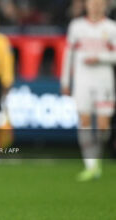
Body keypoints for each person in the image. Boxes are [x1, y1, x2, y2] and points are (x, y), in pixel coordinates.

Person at [61, 0, 116, 181]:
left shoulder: (111, 27)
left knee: (103, 126)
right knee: (84, 121)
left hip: (104, 81)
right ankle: (90, 165)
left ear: (104, 6)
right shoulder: (76, 26)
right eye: (92, 2)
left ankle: (96, 158)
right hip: (83, 81)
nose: (95, 6)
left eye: (99, 3)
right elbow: (68, 54)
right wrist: (65, 80)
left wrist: (99, 57)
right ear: (86, 5)